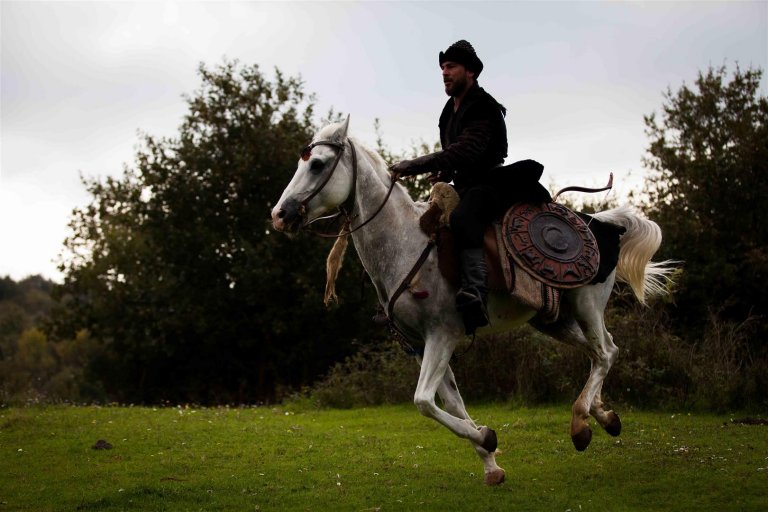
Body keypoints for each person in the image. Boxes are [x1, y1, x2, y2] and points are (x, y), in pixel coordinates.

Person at [389, 40, 511, 335]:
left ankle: (476, 292)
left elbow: (467, 151)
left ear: (470, 72)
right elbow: (454, 152)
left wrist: (415, 164)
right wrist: (444, 172)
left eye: (451, 66)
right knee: (426, 218)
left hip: (492, 184)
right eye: (443, 67)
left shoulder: (483, 106)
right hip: (465, 185)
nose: (444, 72)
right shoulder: (448, 111)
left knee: (462, 218)